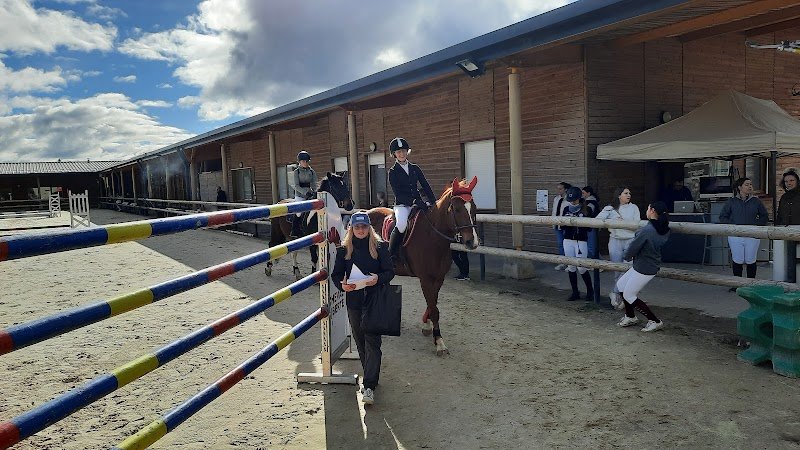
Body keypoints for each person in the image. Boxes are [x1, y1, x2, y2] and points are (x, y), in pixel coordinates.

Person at [330, 212, 394, 406]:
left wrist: (378, 279)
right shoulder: (343, 250)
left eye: (363, 227)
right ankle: (371, 375)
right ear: (351, 228)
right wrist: (343, 286)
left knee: (373, 342)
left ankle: (369, 385)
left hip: (375, 299)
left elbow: (390, 271)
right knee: (360, 342)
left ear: (369, 228)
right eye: (356, 227)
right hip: (354, 300)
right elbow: (336, 274)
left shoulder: (380, 246)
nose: (360, 230)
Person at [616, 201, 670, 332]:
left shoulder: (647, 230)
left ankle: (655, 320)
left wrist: (626, 256)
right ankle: (630, 316)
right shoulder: (663, 228)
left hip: (644, 267)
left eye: (648, 208)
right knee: (621, 285)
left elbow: (632, 248)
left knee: (629, 294)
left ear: (651, 211)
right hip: (645, 264)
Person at [386, 137, 436, 261]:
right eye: (398, 152)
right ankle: (391, 255)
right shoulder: (393, 172)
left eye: (403, 151)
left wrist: (434, 202)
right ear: (394, 154)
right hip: (402, 205)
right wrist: (414, 202)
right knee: (402, 225)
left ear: (407, 152)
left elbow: (425, 185)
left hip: (419, 202)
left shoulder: (415, 168)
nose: (402, 154)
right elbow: (398, 193)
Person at [719, 178, 768, 290]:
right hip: (735, 236)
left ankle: (751, 285)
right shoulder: (731, 201)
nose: (750, 186)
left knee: (751, 259)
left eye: (751, 184)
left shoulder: (756, 201)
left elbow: (764, 216)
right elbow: (723, 217)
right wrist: (734, 226)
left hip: (752, 235)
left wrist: (756, 225)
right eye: (747, 184)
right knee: (737, 259)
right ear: (740, 187)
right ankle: (737, 284)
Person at [596, 187, 641, 309]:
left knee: (627, 268)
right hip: (615, 241)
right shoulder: (611, 208)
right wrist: (609, 215)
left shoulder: (634, 208)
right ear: (618, 195)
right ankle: (620, 296)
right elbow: (598, 220)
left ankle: (615, 292)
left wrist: (623, 222)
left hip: (630, 241)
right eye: (626, 193)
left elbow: (636, 224)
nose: (628, 195)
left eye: (629, 193)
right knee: (617, 268)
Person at [561, 187, 594, 301]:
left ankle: (590, 291)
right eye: (571, 200)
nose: (572, 202)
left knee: (582, 267)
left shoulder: (586, 209)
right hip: (568, 239)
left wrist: (579, 223)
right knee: (571, 266)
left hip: (581, 240)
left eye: (574, 200)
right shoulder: (566, 209)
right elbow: (562, 225)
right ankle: (575, 292)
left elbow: (589, 227)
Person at [290, 150, 318, 237]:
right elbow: (296, 186)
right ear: (300, 162)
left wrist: (314, 192)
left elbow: (314, 184)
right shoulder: (296, 172)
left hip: (310, 194)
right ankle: (295, 230)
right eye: (303, 161)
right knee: (299, 212)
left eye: (307, 161)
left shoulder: (312, 172)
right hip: (300, 195)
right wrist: (305, 192)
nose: (305, 163)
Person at [552, 182, 572, 271]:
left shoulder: (569, 200)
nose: (558, 190)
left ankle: (570, 263)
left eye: (560, 189)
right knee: (560, 244)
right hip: (557, 224)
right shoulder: (556, 199)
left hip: (565, 225)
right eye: (558, 188)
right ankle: (562, 262)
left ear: (565, 189)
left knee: (567, 244)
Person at [581, 186, 601, 261]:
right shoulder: (587, 201)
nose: (582, 194)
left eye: (583, 193)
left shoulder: (591, 202)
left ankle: (597, 264)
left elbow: (587, 213)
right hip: (588, 226)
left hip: (591, 226)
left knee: (591, 246)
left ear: (588, 193)